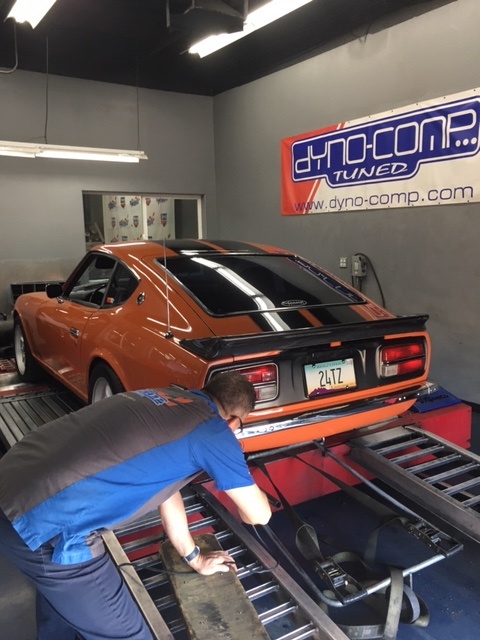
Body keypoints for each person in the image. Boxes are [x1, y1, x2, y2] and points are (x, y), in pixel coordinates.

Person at [0, 372, 271, 640]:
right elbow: (258, 515)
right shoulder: (214, 431)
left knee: (61, 602)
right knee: (130, 634)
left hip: (10, 478)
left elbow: (168, 491)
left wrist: (194, 557)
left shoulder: (159, 395)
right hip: (43, 523)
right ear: (234, 422)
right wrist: (234, 460)